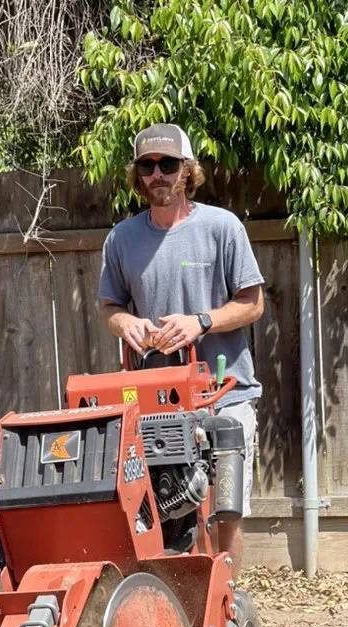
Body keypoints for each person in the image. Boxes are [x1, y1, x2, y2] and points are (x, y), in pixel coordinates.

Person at [98, 123, 265, 574]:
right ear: (138, 176)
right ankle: (169, 600)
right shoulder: (122, 240)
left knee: (225, 512)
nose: (158, 175)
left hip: (225, 397)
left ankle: (225, 601)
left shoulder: (221, 227)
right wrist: (125, 322)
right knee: (160, 510)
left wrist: (200, 322)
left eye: (168, 165)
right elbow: (109, 307)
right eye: (148, 166)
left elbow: (253, 303)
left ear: (187, 171)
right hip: (154, 404)